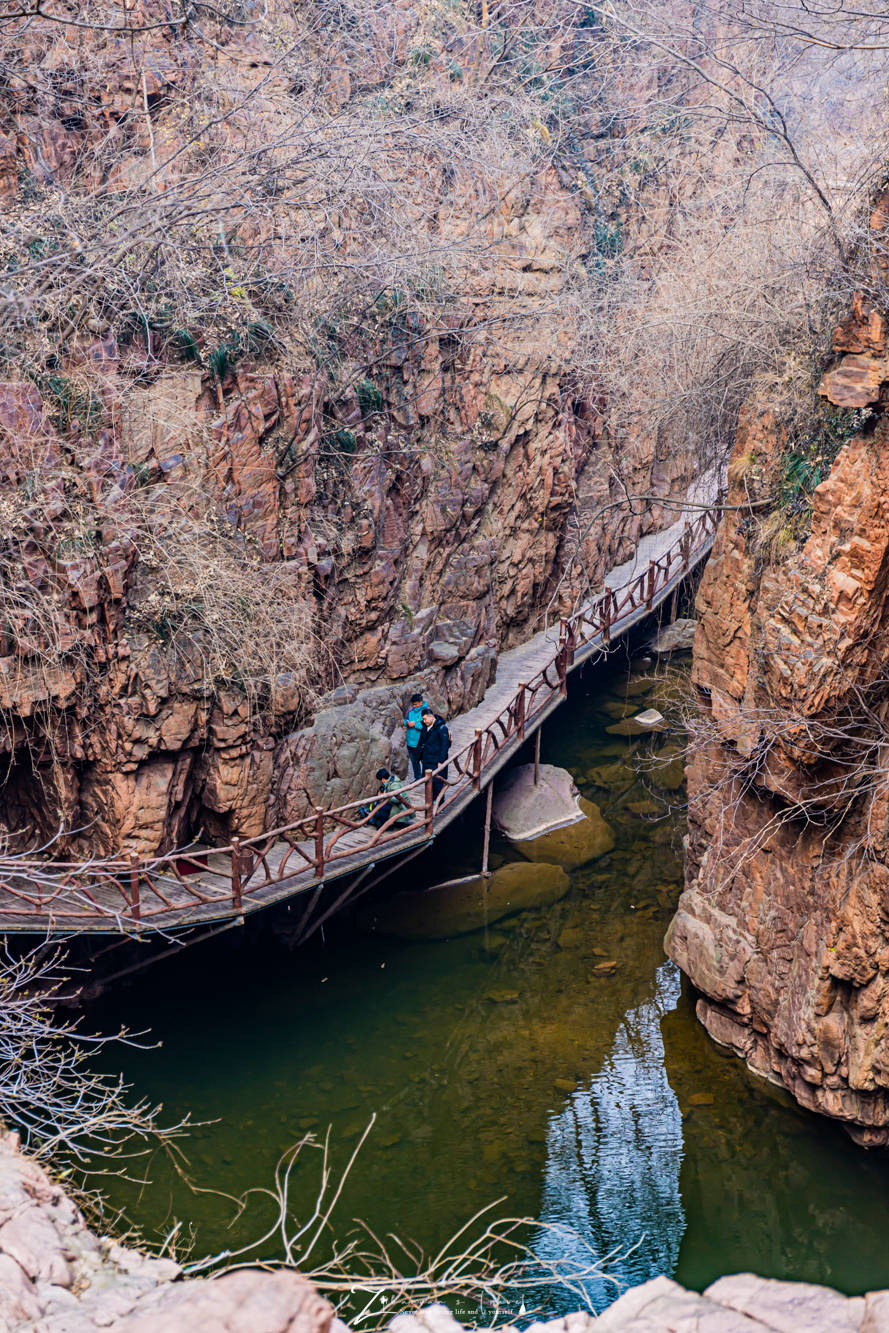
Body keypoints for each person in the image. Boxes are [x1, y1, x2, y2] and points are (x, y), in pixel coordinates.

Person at [416, 708, 450, 806]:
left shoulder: (442, 728)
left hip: (436, 761)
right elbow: (421, 741)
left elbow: (445, 745)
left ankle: (439, 805)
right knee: (429, 784)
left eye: (425, 719)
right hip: (427, 760)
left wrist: (441, 761)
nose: (424, 721)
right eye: (423, 719)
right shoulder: (424, 727)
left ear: (431, 716)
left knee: (438, 783)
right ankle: (430, 804)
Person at [403, 692, 428, 781]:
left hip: (420, 742)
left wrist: (415, 724)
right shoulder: (410, 710)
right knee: (414, 761)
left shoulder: (426, 711)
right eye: (413, 704)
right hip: (410, 741)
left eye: (416, 704)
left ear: (421, 702)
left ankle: (426, 778)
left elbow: (426, 725)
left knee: (424, 760)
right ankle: (417, 778)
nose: (414, 706)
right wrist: (407, 723)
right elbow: (405, 720)